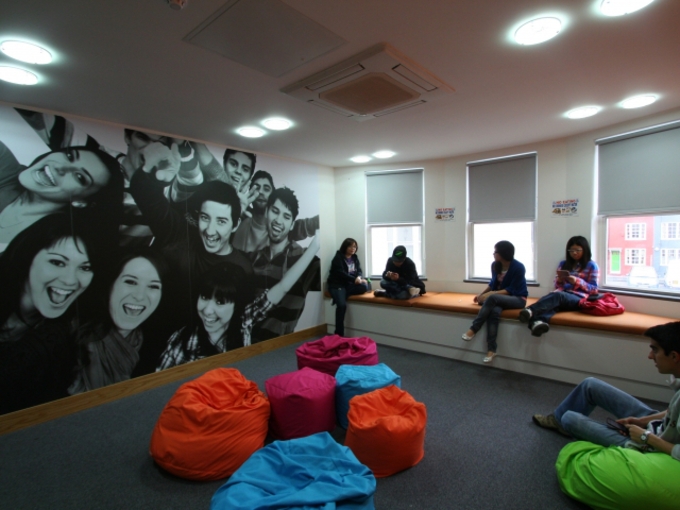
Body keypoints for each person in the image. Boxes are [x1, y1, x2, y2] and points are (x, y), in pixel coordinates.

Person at [158, 231, 321, 369]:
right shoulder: (182, 340)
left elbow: (283, 287)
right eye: (205, 297)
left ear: (236, 305)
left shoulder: (243, 320)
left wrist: (315, 246)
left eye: (220, 302)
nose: (207, 310)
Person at [533, 321, 680, 461]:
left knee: (569, 418)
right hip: (662, 426)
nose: (650, 356)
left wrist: (645, 437)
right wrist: (641, 421)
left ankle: (563, 422)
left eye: (655, 350)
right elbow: (672, 410)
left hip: (649, 446)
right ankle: (557, 421)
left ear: (674, 356)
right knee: (590, 384)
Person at [129, 162, 252, 326]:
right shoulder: (177, 233)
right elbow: (143, 191)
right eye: (205, 218)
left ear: (235, 225)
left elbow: (238, 323)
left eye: (221, 221)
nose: (210, 231)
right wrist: (155, 173)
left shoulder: (243, 269)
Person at [0, 213, 100, 413]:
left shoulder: (60, 343)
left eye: (85, 267)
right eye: (57, 262)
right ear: (26, 257)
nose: (70, 280)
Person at [68, 249, 169, 393]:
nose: (139, 296)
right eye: (130, 282)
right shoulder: (69, 336)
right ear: (110, 284)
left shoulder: (152, 345)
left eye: (153, 286)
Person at [0, 140, 124, 252]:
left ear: (80, 202)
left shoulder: (57, 243)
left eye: (79, 177)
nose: (60, 167)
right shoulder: (7, 172)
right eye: (69, 156)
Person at [250, 187, 321, 343]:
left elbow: (335, 279)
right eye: (275, 211)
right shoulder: (252, 258)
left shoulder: (304, 260)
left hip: (281, 349)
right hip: (247, 347)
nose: (278, 220)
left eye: (286, 216)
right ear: (266, 212)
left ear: (292, 225)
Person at [518, 235, 598, 337]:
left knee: (557, 296)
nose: (574, 253)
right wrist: (559, 280)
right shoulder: (563, 264)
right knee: (549, 300)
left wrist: (577, 281)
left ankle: (530, 310)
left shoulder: (592, 265)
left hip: (579, 298)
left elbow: (594, 290)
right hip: (562, 295)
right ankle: (537, 323)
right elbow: (557, 286)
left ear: (585, 249)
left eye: (578, 250)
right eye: (571, 250)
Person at [462, 241, 528, 364]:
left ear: (503, 253)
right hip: (499, 299)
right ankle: (491, 350)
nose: (493, 254)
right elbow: (493, 283)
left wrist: (491, 294)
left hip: (518, 299)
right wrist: (481, 294)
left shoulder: (518, 267)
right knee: (494, 311)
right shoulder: (495, 265)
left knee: (492, 299)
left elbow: (512, 289)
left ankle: (474, 329)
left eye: (496, 251)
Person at [232, 170, 319, 253]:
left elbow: (307, 225)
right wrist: (236, 208)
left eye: (266, 189)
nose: (261, 192)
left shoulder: (279, 227)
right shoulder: (240, 221)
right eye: (256, 188)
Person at [327, 238, 370, 337]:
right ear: (345, 247)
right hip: (338, 284)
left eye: (354, 246)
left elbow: (359, 270)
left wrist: (359, 277)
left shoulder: (355, 257)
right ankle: (338, 334)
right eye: (350, 246)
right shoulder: (338, 258)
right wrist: (354, 279)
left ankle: (339, 296)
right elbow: (340, 273)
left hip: (348, 285)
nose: (353, 248)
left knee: (365, 286)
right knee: (342, 305)